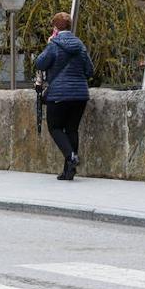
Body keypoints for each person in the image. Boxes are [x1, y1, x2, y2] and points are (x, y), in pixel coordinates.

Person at [35, 12, 94, 180]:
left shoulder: (53, 44)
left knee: (54, 127)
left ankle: (71, 157)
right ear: (70, 26)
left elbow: (39, 63)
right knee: (72, 129)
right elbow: (90, 71)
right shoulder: (80, 45)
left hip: (59, 94)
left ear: (55, 27)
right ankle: (69, 171)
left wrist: (48, 44)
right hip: (80, 94)